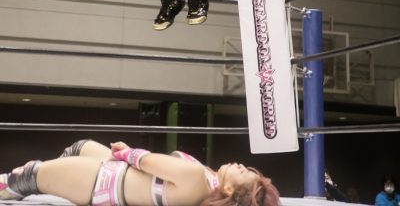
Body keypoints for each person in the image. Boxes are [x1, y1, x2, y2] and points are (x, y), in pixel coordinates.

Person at [0, 138, 280, 206]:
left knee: (27, 176)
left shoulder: (198, 181)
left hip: (103, 180)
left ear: (230, 190)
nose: (240, 165)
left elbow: (149, 162)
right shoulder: (207, 177)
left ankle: (38, 181)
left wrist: (128, 152)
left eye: (243, 172)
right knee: (79, 147)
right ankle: (53, 179)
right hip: (113, 171)